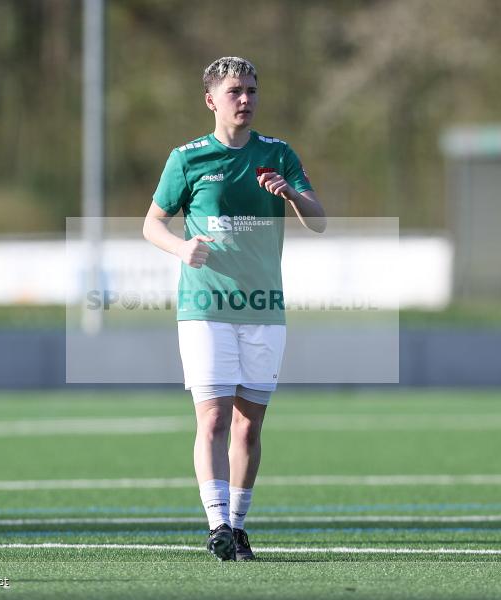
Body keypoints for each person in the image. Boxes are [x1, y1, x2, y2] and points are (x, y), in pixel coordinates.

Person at [142, 56, 326, 561]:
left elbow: (319, 220)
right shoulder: (187, 158)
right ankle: (217, 523)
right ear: (210, 100)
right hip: (205, 306)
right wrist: (182, 249)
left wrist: (291, 194)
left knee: (250, 424)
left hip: (264, 307)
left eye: (251, 90)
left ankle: (239, 526)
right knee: (214, 419)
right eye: (233, 92)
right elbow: (152, 224)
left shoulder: (278, 153)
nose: (244, 99)